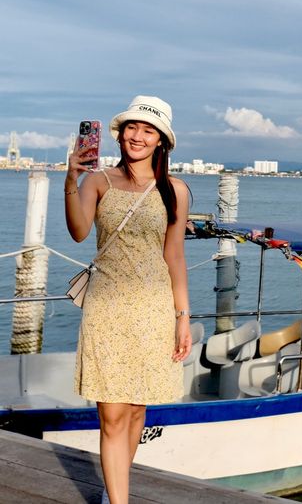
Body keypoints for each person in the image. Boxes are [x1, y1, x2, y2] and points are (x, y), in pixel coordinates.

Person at [64, 96, 191, 504]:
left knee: (137, 410)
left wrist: (183, 317)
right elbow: (79, 232)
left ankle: (113, 485)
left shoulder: (175, 191)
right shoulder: (98, 180)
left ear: (161, 141)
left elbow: (174, 256)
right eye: (132, 128)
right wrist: (71, 180)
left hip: (154, 310)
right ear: (120, 135)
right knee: (112, 414)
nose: (138, 136)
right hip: (107, 308)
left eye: (148, 130)